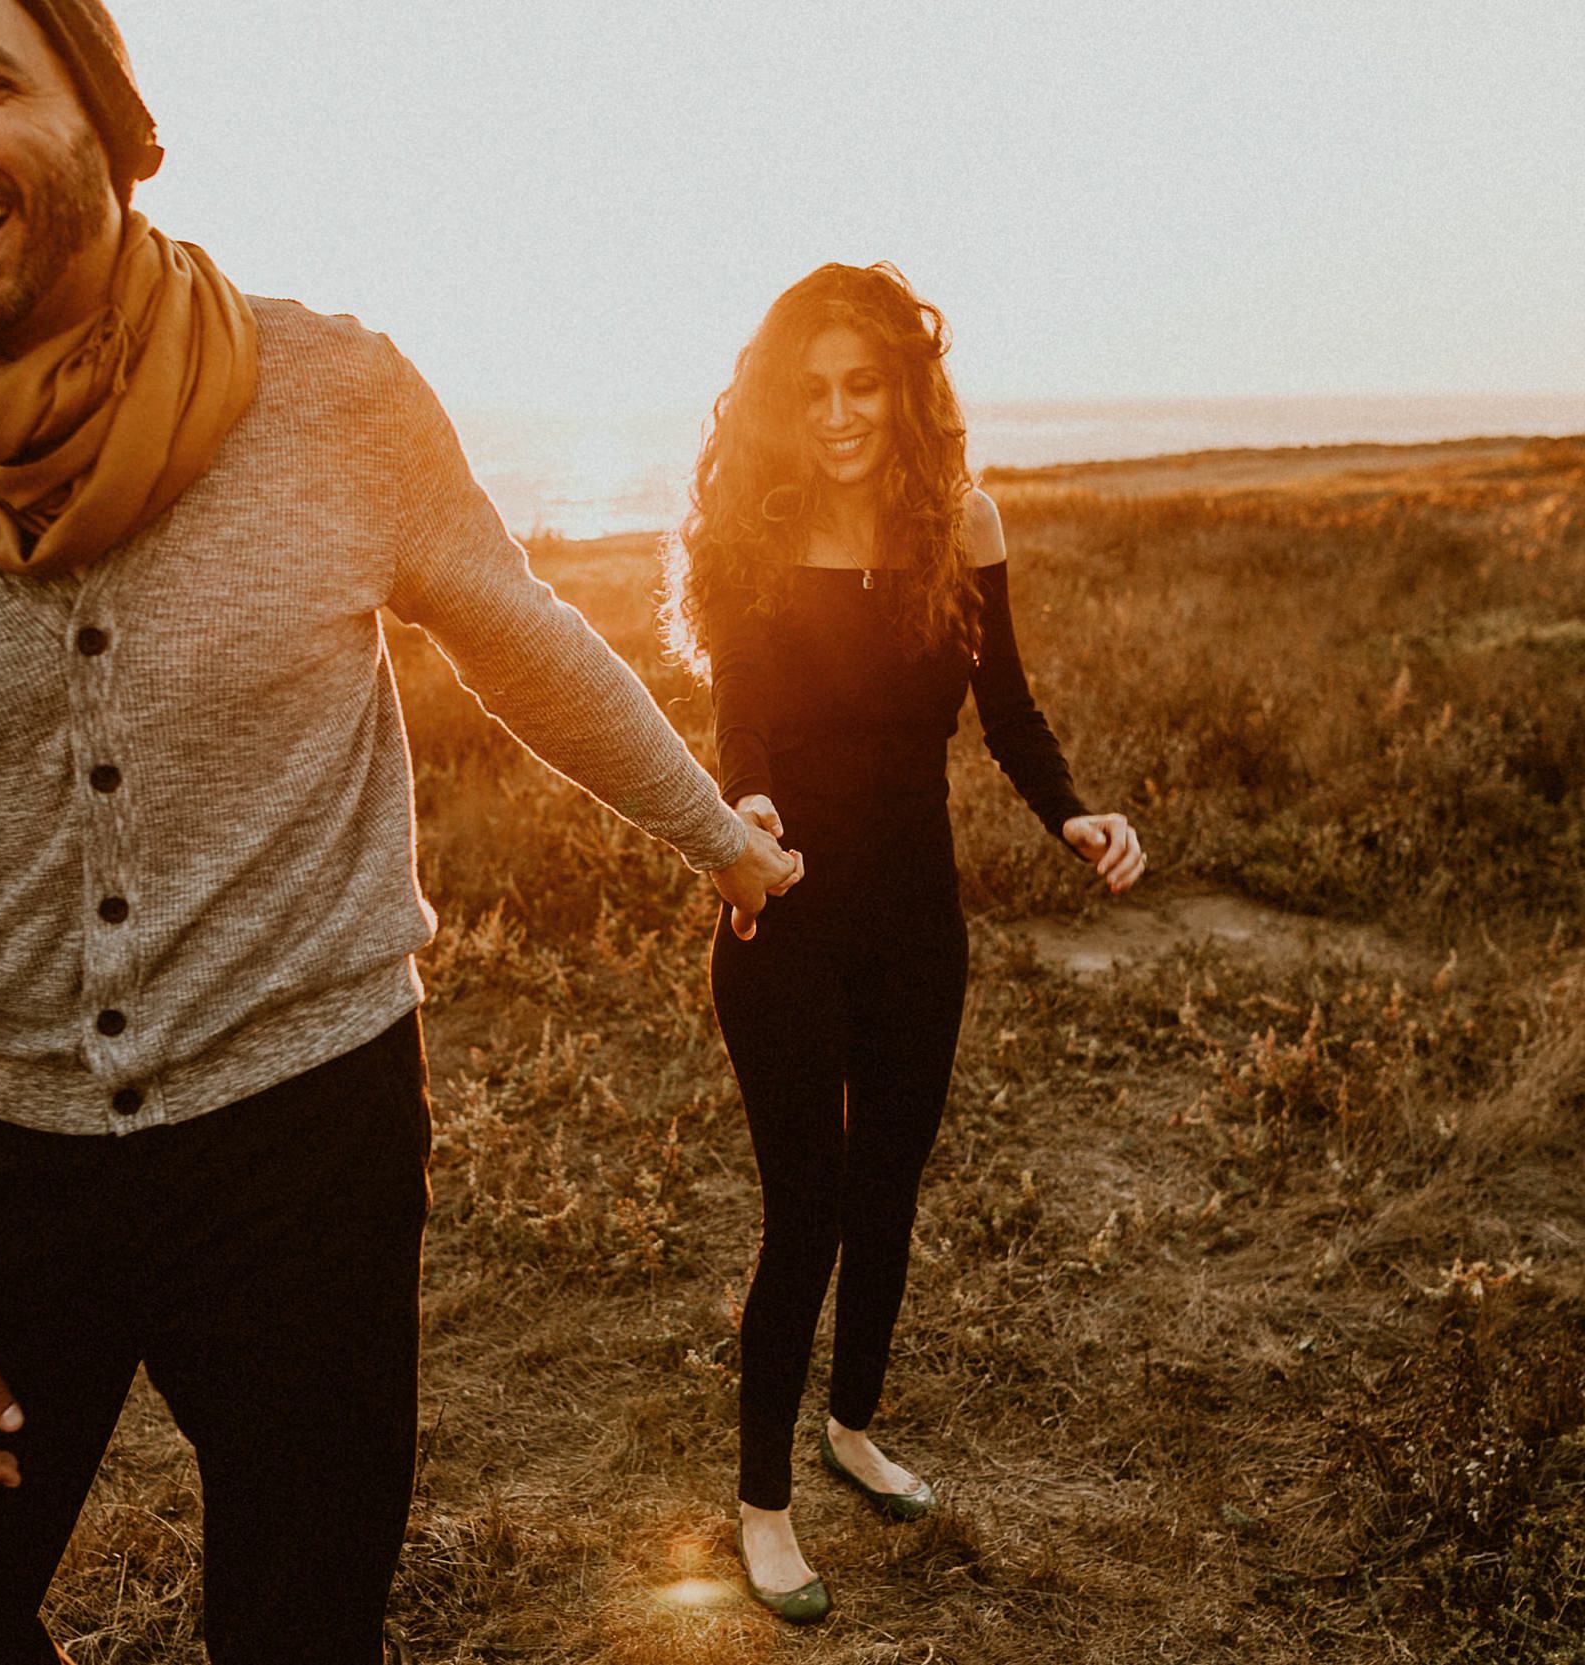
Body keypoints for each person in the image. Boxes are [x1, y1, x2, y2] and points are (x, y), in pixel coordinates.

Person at [0, 2, 802, 1661]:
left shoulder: (331, 392)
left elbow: (517, 635)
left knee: (301, 1630)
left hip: (312, 1137)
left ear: (104, 116)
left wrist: (714, 836)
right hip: (18, 1152)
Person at [659, 262, 1146, 1622]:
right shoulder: (752, 531)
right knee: (804, 1209)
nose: (835, 412)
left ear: (904, 387)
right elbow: (743, 724)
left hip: (921, 923)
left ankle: (854, 1426)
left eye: (859, 383)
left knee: (890, 1192)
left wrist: (1074, 813)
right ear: (775, 401)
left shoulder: (962, 526)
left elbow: (1011, 712)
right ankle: (763, 1505)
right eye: (807, 389)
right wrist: (743, 811)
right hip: (788, 910)